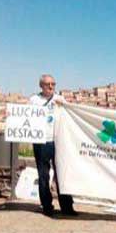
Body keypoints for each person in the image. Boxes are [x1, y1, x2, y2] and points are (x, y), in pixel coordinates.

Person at [29, 74, 76, 217]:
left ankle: (67, 207)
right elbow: (25, 117)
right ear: (41, 85)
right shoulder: (33, 100)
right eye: (48, 84)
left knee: (62, 174)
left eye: (53, 84)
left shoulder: (59, 99)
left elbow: (70, 114)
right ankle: (47, 206)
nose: (51, 87)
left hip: (58, 141)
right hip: (41, 142)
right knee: (43, 175)